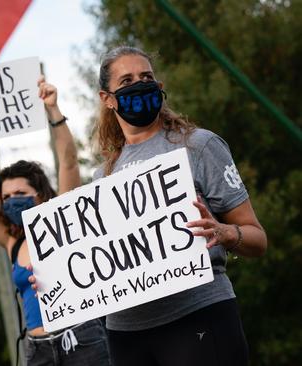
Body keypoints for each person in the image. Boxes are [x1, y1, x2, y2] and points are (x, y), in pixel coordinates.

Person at [75, 45, 266, 366]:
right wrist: (56, 279)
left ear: (159, 88)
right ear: (107, 99)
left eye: (146, 77)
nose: (139, 84)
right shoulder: (100, 178)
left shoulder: (199, 145)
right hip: (126, 334)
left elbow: (257, 239)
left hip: (199, 317)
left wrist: (224, 233)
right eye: (127, 81)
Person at [0, 77, 111, 366]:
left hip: (82, 341)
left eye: (20, 193)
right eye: (6, 196)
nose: (12, 200)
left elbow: (69, 163)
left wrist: (54, 111)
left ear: (40, 193)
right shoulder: (11, 241)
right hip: (37, 350)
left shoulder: (64, 223)